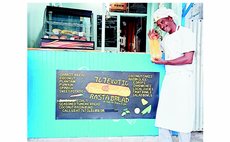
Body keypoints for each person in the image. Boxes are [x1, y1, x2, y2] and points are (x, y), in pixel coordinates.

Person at [151, 6, 196, 142]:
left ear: (170, 18)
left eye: (163, 22)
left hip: (183, 80)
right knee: (164, 115)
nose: (162, 26)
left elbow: (188, 58)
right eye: (159, 25)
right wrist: (153, 40)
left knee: (183, 114)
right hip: (170, 80)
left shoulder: (186, 33)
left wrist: (165, 62)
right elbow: (158, 53)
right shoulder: (166, 39)